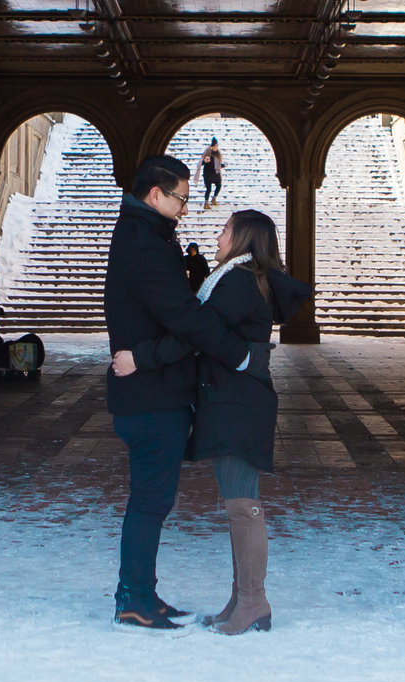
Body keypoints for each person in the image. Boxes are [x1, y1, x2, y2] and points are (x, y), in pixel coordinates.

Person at [115, 208, 309, 635]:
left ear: (242, 238)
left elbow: (196, 331)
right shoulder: (240, 279)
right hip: (235, 401)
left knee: (243, 505)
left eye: (225, 230)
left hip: (237, 406)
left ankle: (254, 602)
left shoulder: (237, 282)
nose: (218, 237)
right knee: (239, 502)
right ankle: (242, 600)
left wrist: (141, 358)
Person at [103, 154, 256, 630]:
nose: (187, 209)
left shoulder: (146, 236)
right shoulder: (144, 244)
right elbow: (184, 317)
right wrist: (238, 352)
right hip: (151, 397)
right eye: (181, 200)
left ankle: (140, 593)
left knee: (150, 500)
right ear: (155, 195)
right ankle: (133, 600)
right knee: (150, 502)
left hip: (151, 391)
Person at [199, 139, 225, 209]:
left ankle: (214, 198)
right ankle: (206, 203)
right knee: (208, 189)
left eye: (216, 146)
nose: (215, 148)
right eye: (214, 146)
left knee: (219, 185)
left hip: (216, 173)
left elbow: (219, 164)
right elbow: (201, 163)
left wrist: (222, 165)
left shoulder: (218, 154)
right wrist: (205, 161)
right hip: (208, 174)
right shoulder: (207, 153)